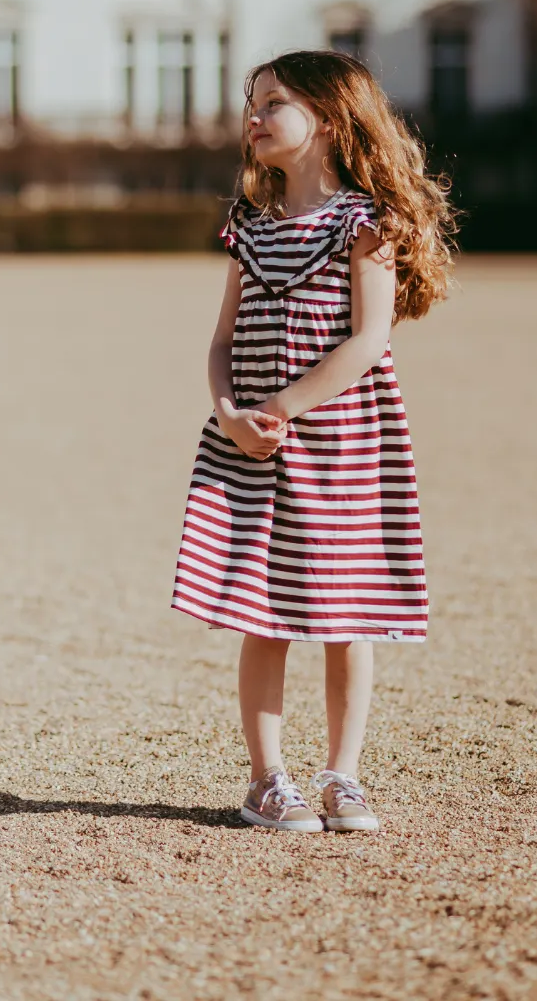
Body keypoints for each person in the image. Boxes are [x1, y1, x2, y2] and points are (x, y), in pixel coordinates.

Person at [171, 50, 456, 833]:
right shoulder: (250, 227)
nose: (254, 117)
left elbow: (368, 340)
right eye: (251, 103)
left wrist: (285, 408)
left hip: (342, 446)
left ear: (328, 119)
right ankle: (267, 780)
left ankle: (344, 776)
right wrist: (232, 412)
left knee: (343, 613)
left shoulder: (365, 224)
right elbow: (221, 340)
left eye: (274, 103)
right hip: (250, 449)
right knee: (262, 613)